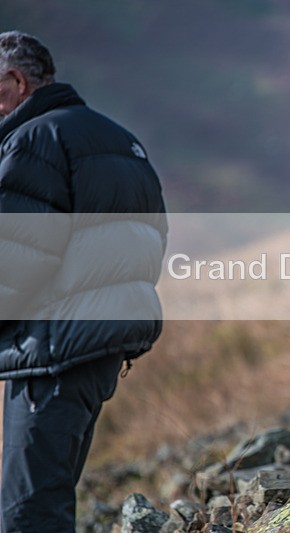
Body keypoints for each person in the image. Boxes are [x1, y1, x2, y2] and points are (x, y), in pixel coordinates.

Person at [0, 31, 167, 531]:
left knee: (26, 512)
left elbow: (15, 260)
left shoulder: (33, 140)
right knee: (49, 494)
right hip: (102, 345)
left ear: (14, 81)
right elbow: (152, 236)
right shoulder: (117, 137)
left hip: (53, 346)